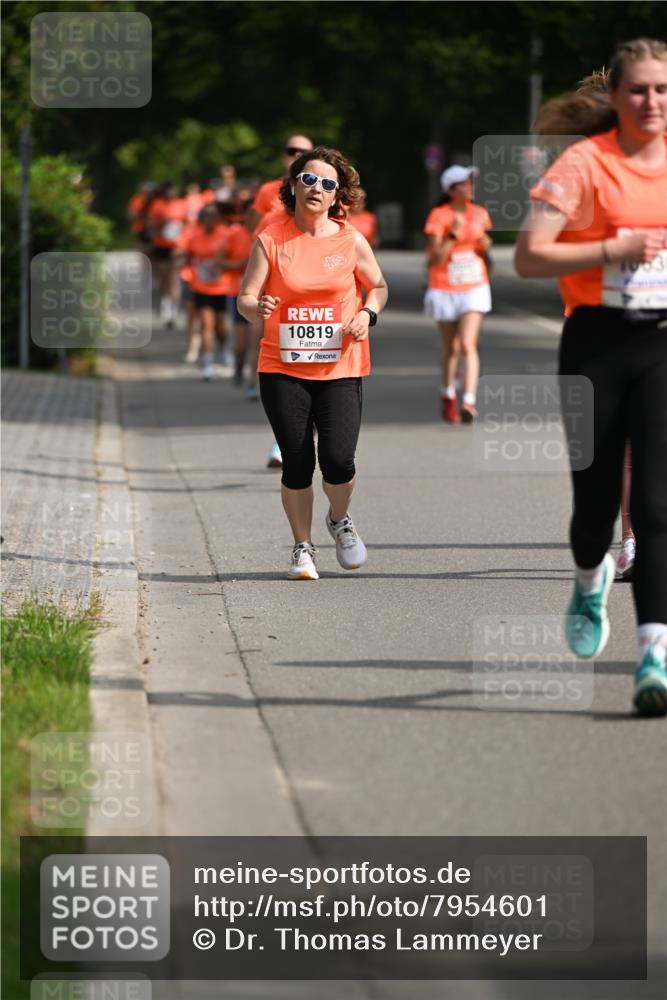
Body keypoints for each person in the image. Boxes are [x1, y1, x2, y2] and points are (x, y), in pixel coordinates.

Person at [514, 38, 667, 716]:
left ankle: (652, 654)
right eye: (638, 90)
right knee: (594, 504)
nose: (651, 102)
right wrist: (613, 247)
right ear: (613, 97)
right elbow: (528, 256)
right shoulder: (583, 163)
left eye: (662, 90)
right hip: (595, 342)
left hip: (662, 340)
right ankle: (587, 577)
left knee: (658, 508)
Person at [238, 146, 388, 580]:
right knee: (297, 460)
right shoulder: (271, 239)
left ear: (338, 195)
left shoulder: (349, 239)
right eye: (308, 179)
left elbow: (377, 286)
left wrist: (366, 314)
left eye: (327, 184)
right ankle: (302, 547)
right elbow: (245, 298)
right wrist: (257, 307)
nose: (316, 189)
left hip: (340, 366)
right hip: (283, 367)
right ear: (293, 185)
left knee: (339, 460)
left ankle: (339, 519)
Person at [246, 135, 314, 472]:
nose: (297, 156)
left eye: (304, 152)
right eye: (292, 151)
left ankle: (300, 438)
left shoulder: (327, 195)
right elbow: (253, 236)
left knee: (319, 373)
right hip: (278, 300)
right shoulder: (267, 198)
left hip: (320, 304)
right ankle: (285, 437)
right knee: (282, 369)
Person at [423, 166, 493, 423]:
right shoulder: (439, 215)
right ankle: (448, 393)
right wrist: (453, 232)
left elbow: (484, 244)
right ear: (451, 189)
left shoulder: (480, 214)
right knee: (451, 347)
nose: (471, 186)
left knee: (467, 343)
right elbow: (435, 259)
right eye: (465, 182)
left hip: (474, 285)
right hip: (443, 286)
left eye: (472, 181)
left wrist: (485, 243)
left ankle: (469, 401)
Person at [178, 203, 230, 381]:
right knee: (206, 325)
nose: (209, 221)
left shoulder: (225, 235)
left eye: (213, 217)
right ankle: (207, 363)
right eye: (206, 218)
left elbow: (231, 255)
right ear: (201, 220)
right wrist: (189, 273)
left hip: (222, 286)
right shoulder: (195, 236)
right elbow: (187, 257)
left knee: (220, 326)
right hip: (201, 286)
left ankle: (223, 349)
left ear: (217, 219)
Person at [148, 182, 187, 328]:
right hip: (161, 245)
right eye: (169, 191)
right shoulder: (158, 205)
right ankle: (165, 302)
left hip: (177, 246)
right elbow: (150, 224)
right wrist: (161, 222)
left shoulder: (182, 204)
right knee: (164, 277)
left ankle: (173, 311)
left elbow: (188, 224)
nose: (171, 193)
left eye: (173, 190)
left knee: (174, 277)